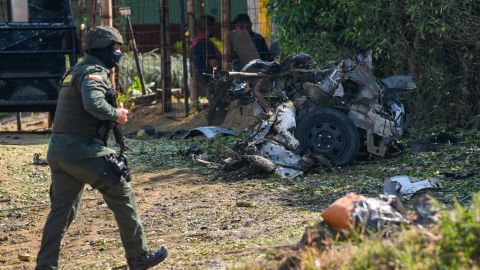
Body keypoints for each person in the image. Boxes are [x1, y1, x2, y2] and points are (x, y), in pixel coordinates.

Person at [35, 26, 167, 270]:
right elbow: (94, 104)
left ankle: (45, 266)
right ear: (104, 49)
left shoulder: (76, 70)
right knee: (122, 191)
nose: (118, 52)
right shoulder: (93, 73)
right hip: (80, 149)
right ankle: (138, 257)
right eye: (116, 48)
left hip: (59, 151)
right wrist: (116, 114)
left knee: (61, 212)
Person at [190, 15, 228, 125]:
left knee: (212, 102)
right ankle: (215, 123)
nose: (216, 29)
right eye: (214, 26)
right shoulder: (206, 43)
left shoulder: (195, 42)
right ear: (209, 27)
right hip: (212, 79)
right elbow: (213, 63)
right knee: (217, 104)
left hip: (203, 78)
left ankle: (212, 122)